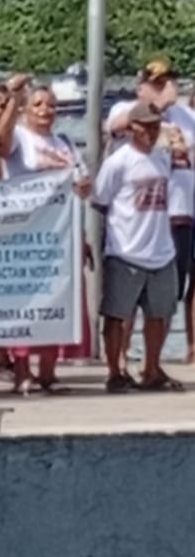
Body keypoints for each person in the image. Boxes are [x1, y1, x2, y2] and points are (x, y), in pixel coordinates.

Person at [7, 85, 91, 393]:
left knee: (59, 299)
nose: (45, 110)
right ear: (25, 110)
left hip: (62, 235)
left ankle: (48, 371)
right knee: (26, 303)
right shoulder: (18, 138)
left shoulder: (65, 141)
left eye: (51, 105)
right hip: (27, 234)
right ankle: (21, 371)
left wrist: (84, 187)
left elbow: (82, 183)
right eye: (38, 104)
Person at [92, 100, 179, 393]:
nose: (152, 132)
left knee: (160, 314)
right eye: (146, 126)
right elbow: (100, 200)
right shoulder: (118, 162)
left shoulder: (162, 158)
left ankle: (151, 368)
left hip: (160, 248)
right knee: (118, 315)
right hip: (126, 249)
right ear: (132, 128)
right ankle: (116, 370)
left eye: (156, 126)